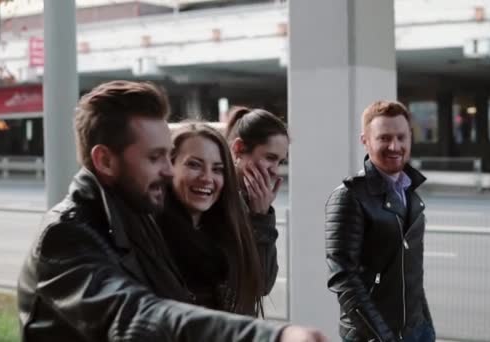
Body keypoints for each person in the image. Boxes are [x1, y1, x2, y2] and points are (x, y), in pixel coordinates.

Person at [17, 80, 327, 342]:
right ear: (105, 161)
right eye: (155, 158)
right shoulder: (68, 233)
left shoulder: (135, 217)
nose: (169, 171)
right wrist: (271, 337)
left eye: (169, 156)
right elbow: (136, 313)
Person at [324, 100, 434, 342]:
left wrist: (427, 325)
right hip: (372, 337)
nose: (394, 146)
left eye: (401, 137)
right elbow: (343, 278)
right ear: (365, 140)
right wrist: (383, 337)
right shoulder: (349, 196)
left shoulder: (410, 193)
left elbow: (410, 273)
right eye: (384, 138)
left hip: (417, 332)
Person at [158, 122, 266, 316]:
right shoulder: (151, 236)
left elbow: (259, 285)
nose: (207, 178)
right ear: (169, 166)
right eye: (194, 165)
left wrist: (261, 220)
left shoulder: (229, 228)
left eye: (217, 169)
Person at [224, 107, 289, 295]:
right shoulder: (214, 198)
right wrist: (260, 219)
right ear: (239, 149)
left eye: (280, 162)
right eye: (270, 158)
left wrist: (262, 216)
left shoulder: (251, 203)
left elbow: (263, 285)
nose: (275, 170)